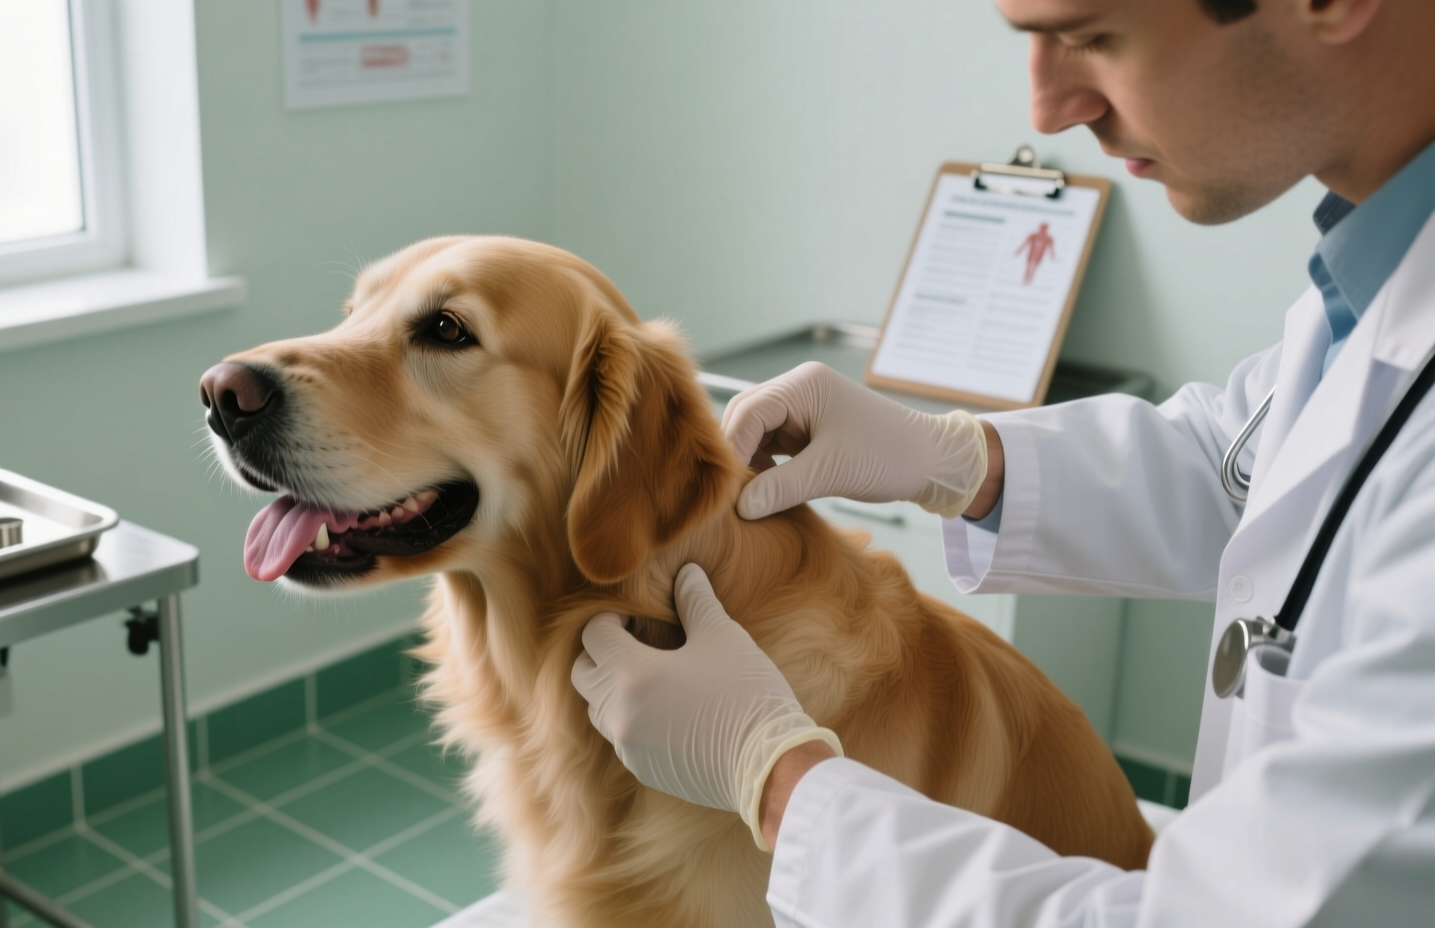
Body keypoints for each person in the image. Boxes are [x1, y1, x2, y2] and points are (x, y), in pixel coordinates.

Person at [570, 0, 1435, 924]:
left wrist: (778, 777)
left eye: (1093, 35)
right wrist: (960, 457)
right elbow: (1248, 461)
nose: (1050, 110)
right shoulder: (1373, 273)